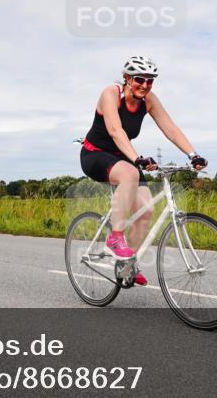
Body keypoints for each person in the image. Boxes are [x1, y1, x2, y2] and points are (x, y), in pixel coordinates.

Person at [79, 56, 207, 286]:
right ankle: (115, 238)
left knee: (146, 209)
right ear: (127, 78)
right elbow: (115, 131)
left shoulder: (148, 100)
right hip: (95, 154)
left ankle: (127, 264)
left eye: (150, 81)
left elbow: (170, 128)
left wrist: (192, 154)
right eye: (140, 79)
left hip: (122, 156)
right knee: (129, 173)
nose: (145, 85)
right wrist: (137, 158)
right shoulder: (111, 94)